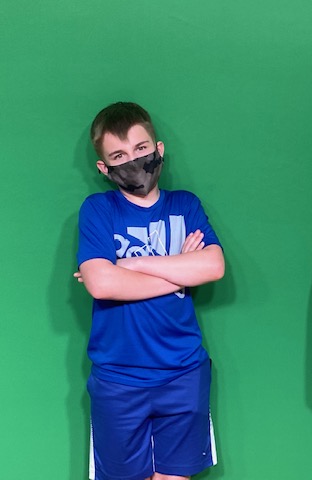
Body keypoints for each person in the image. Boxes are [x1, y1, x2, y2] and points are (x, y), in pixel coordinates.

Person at [74, 102, 225, 480]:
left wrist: (128, 265)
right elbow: (101, 284)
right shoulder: (98, 209)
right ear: (104, 168)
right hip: (118, 378)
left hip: (184, 372)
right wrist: (181, 272)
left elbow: (213, 266)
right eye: (119, 156)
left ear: (159, 149)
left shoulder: (185, 205)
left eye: (141, 149)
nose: (133, 161)